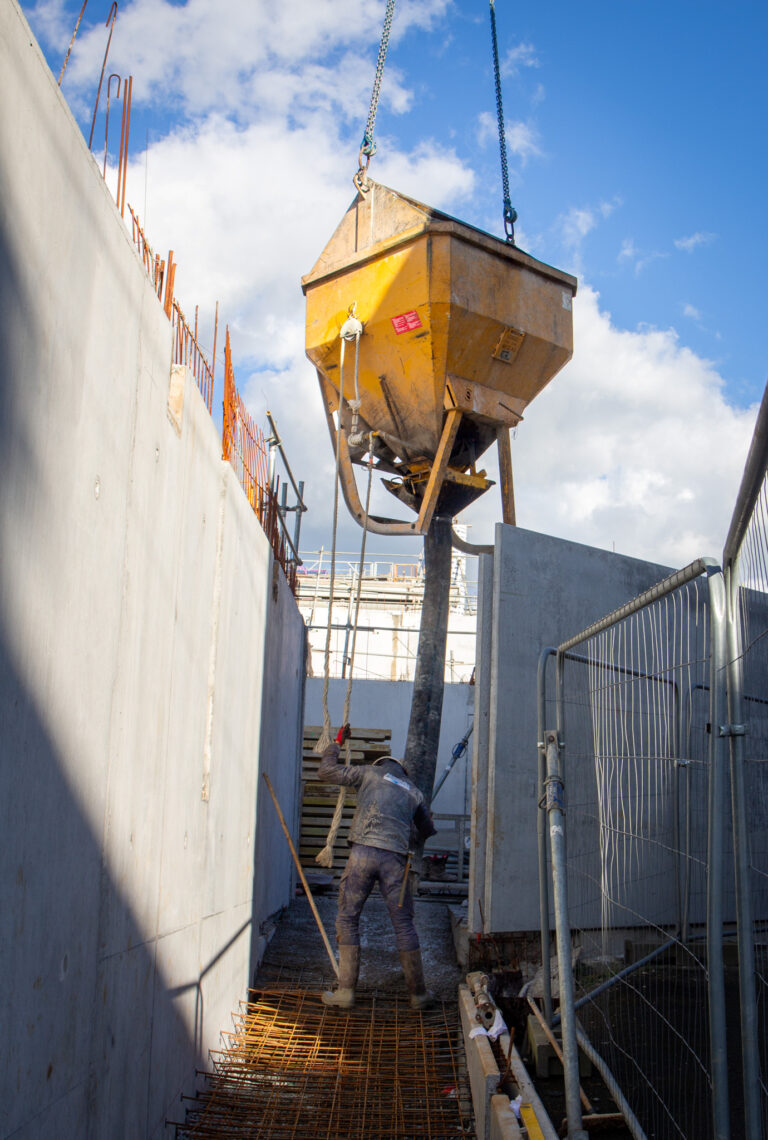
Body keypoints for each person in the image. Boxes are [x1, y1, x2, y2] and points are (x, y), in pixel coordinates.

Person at [317, 724, 437, 1011]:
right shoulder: (413, 791)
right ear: (401, 772)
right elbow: (428, 829)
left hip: (363, 853)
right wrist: (410, 834)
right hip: (395, 860)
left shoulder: (369, 774)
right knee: (404, 924)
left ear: (381, 765)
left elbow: (326, 772)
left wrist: (335, 744)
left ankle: (345, 993)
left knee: (348, 918)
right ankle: (418, 996)